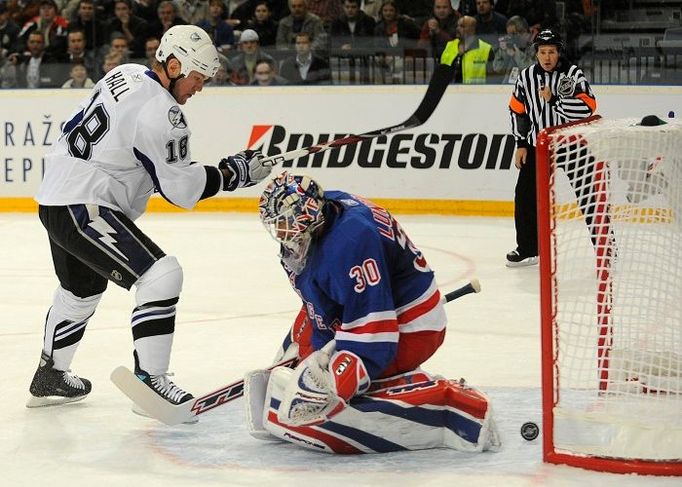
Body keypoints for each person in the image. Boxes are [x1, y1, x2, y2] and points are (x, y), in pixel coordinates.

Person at [26, 25, 272, 409]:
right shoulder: (164, 113)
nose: (199, 88)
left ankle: (51, 374)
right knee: (162, 276)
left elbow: (126, 149)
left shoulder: (123, 74)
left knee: (81, 291)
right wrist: (233, 173)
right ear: (173, 66)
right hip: (84, 204)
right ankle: (150, 383)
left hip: (56, 195)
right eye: (196, 79)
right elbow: (182, 190)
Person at [244, 172, 501, 453]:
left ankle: (447, 405)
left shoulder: (351, 241)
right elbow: (326, 301)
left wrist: (336, 375)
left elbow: (375, 330)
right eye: (276, 225)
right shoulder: (327, 209)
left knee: (331, 393)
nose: (281, 234)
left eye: (286, 225)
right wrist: (315, 354)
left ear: (308, 216)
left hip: (412, 325)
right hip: (374, 304)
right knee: (301, 342)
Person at [506, 29, 596, 267]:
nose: (547, 57)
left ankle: (606, 246)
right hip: (540, 146)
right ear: (536, 53)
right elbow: (518, 111)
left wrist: (555, 100)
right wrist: (521, 143)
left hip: (572, 144)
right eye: (543, 52)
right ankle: (528, 249)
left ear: (559, 53)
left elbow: (588, 109)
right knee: (524, 196)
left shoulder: (572, 74)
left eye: (552, 52)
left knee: (589, 196)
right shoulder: (525, 78)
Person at [440, 15, 494, 84]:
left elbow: (493, 78)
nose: (457, 28)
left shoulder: (486, 49)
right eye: (457, 26)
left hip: (476, 92)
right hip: (450, 91)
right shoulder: (449, 46)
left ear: (473, 29)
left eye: (462, 26)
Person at [491, 15, 533, 84]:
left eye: (514, 34)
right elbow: (497, 69)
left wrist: (515, 54)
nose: (511, 38)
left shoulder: (535, 48)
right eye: (509, 34)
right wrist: (502, 52)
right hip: (507, 88)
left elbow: (529, 70)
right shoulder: (511, 46)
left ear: (524, 32)